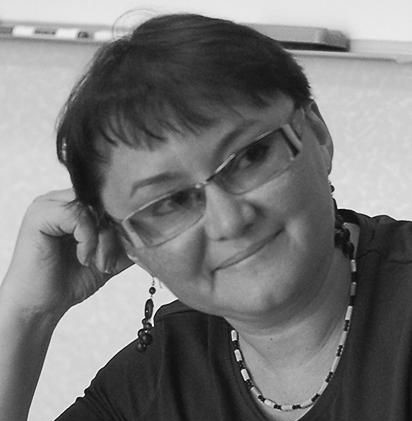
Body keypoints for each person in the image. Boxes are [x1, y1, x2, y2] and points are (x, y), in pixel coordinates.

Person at [0, 12, 411, 421]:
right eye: (169, 203)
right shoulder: (157, 376)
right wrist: (25, 314)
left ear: (317, 137)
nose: (230, 221)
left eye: (250, 158)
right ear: (129, 243)